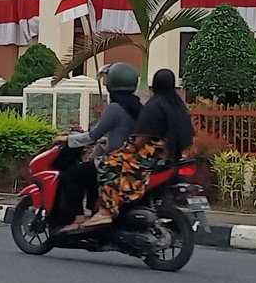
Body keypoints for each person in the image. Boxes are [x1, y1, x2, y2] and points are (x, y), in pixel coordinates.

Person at [79, 67, 189, 230]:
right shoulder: (178, 106)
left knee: (106, 164)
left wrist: (130, 146)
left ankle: (106, 210)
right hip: (170, 156)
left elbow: (142, 137)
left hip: (149, 156)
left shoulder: (155, 105)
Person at [51, 62, 141, 231]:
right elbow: (124, 133)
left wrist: (68, 139)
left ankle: (77, 218)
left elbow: (93, 135)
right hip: (130, 160)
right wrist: (106, 141)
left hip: (115, 161)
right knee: (90, 172)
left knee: (72, 175)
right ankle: (94, 212)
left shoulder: (115, 108)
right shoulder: (136, 106)